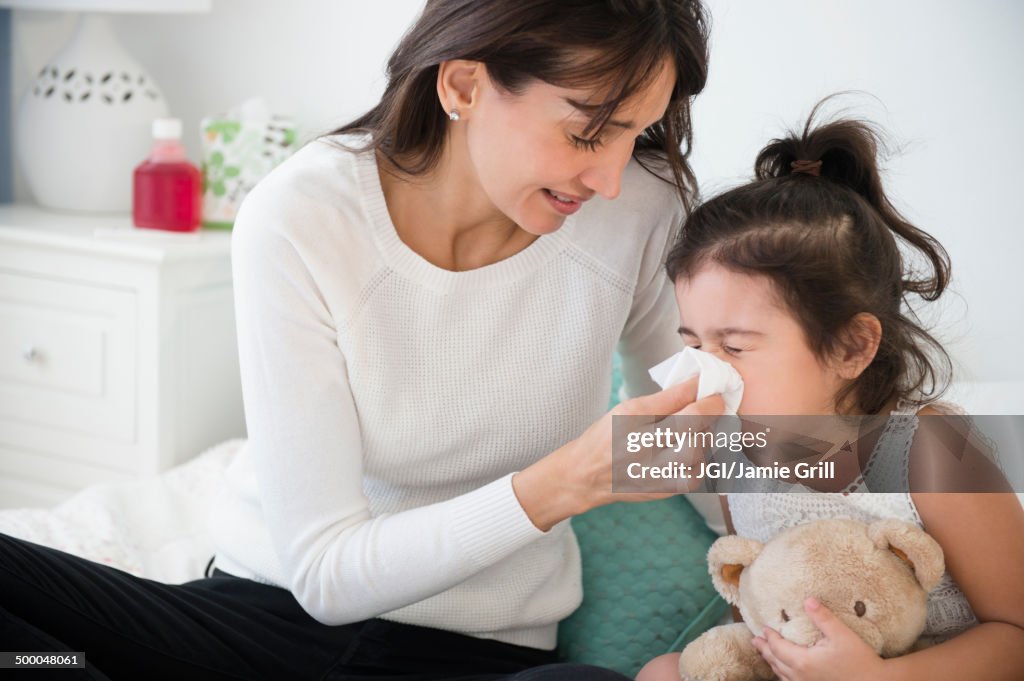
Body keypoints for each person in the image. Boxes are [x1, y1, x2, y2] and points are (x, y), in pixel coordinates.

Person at [0, 1, 725, 679]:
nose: (608, 176)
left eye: (637, 132)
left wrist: (833, 495)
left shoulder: (640, 212)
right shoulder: (303, 213)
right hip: (256, 624)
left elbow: (716, 436)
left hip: (477, 653)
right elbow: (324, 571)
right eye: (587, 132)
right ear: (466, 85)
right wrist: (560, 482)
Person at [636, 101, 1024, 681]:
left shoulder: (932, 451)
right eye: (694, 343)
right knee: (664, 673)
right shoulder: (734, 454)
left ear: (850, 348)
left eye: (735, 348)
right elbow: (760, 602)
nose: (704, 372)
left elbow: (1017, 635)